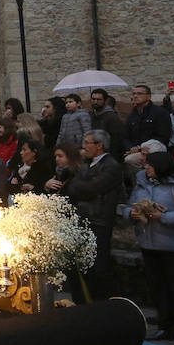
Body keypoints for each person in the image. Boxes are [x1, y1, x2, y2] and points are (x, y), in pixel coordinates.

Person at [124, 152, 174, 345]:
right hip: (149, 245)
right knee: (159, 289)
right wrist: (130, 213)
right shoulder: (141, 185)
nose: (146, 168)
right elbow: (128, 206)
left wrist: (162, 217)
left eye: (149, 165)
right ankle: (166, 326)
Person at [62, 130, 122, 303]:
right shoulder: (87, 165)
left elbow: (95, 188)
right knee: (84, 267)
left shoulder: (111, 166)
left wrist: (82, 187)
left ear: (99, 145)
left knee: (99, 266)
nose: (84, 146)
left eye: (87, 142)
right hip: (86, 217)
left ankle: (104, 305)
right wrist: (82, 187)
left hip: (100, 219)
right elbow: (73, 187)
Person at [124, 85, 172, 167]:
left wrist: (141, 147)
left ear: (149, 96)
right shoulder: (132, 116)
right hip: (135, 150)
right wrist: (131, 148)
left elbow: (163, 136)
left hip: (154, 149)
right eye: (134, 93)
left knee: (130, 159)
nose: (135, 96)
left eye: (139, 94)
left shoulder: (160, 112)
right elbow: (125, 136)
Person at [89, 88, 126, 159]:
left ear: (105, 101)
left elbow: (116, 140)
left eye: (98, 99)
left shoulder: (112, 117)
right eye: (93, 99)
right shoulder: (91, 115)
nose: (95, 102)